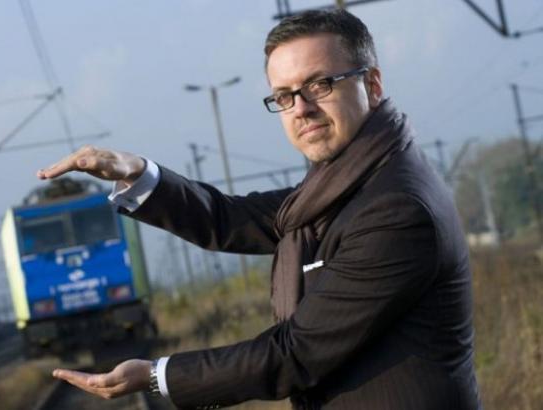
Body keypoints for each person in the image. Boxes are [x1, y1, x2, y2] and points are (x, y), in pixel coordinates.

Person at [37, 9, 482, 410]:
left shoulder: (395, 208)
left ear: (373, 84)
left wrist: (157, 376)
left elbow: (295, 353)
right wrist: (136, 172)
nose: (301, 109)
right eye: (284, 96)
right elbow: (228, 220)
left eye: (319, 84)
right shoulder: (338, 187)